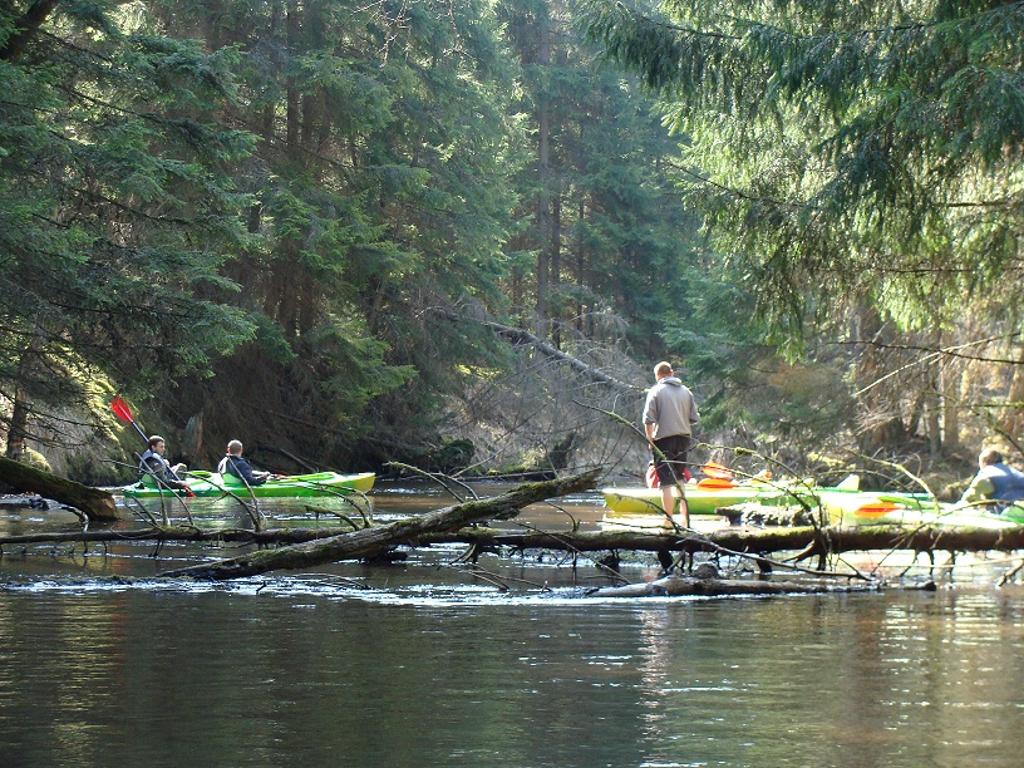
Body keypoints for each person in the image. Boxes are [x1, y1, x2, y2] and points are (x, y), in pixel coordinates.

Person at [642, 361, 699, 526]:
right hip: (683, 439)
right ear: (672, 373)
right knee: (680, 477)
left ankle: (668, 520)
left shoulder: (655, 391)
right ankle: (685, 518)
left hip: (663, 440)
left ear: (657, 376)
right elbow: (694, 418)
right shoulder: (687, 392)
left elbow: (648, 419)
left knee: (666, 481)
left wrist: (650, 439)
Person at [961, 447, 1024, 512]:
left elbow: (968, 498)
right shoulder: (1018, 474)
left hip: (1004, 516)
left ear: (985, 462)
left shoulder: (987, 473)